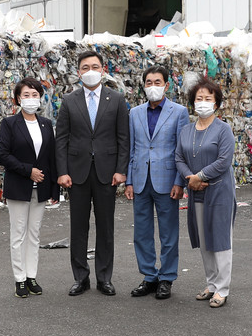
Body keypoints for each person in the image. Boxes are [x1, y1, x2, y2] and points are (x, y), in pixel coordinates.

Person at [55, 50, 130, 296]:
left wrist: (121, 170)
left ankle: (104, 277)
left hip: (107, 174)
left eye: (94, 67)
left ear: (102, 70)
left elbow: (123, 138)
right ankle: (80, 277)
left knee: (106, 227)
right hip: (76, 174)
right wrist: (62, 172)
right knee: (78, 228)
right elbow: (62, 140)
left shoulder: (116, 99)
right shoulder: (69, 100)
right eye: (85, 67)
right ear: (78, 72)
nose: (90, 71)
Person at [124, 65, 190, 300]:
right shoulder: (135, 113)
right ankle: (149, 276)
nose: (153, 86)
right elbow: (132, 149)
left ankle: (167, 277)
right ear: (144, 86)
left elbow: (181, 150)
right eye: (149, 83)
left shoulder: (179, 112)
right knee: (141, 233)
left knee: (168, 233)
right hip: (141, 180)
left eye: (157, 82)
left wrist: (179, 182)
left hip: (167, 180)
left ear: (167, 85)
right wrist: (129, 181)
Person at [175, 76, 236, 309]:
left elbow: (224, 161)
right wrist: (190, 179)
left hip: (219, 190)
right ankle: (211, 284)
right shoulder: (186, 131)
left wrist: (199, 176)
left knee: (220, 239)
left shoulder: (223, 130)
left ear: (216, 103)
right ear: (193, 103)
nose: (202, 102)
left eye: (207, 98)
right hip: (196, 190)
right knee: (203, 240)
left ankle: (222, 289)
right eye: (198, 98)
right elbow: (178, 157)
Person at [0, 77, 58, 298]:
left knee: (34, 234)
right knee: (18, 234)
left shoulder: (46, 124)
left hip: (40, 189)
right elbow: (2, 155)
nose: (31, 99)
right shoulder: (10, 124)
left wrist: (54, 190)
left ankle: (32, 276)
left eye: (35, 95)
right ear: (18, 99)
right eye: (26, 95)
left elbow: (51, 158)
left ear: (40, 97)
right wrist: (27, 170)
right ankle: (19, 279)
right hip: (19, 186)